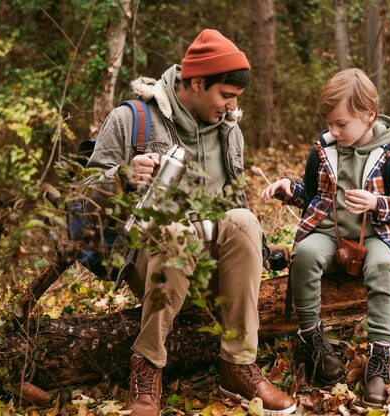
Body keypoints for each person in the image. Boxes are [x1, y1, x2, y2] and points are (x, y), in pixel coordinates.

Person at [86, 29, 296, 416]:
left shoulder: (230, 131)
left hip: (210, 265)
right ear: (197, 82)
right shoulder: (132, 118)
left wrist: (264, 253)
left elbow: (235, 201)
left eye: (236, 99)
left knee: (246, 221)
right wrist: (123, 175)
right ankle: (147, 366)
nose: (231, 107)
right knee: (178, 234)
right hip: (149, 258)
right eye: (225, 96)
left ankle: (237, 365)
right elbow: (83, 195)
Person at [261, 68, 390, 407]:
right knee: (304, 253)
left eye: (341, 124)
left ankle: (379, 357)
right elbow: (313, 195)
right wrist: (289, 190)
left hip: (374, 235)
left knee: (381, 267)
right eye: (330, 123)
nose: (333, 130)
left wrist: (378, 203)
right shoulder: (325, 148)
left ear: (368, 115)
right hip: (328, 232)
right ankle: (313, 340)